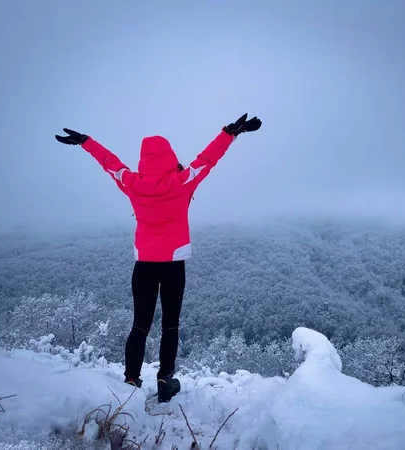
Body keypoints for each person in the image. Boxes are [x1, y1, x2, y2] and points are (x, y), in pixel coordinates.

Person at [55, 113, 262, 402]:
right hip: (174, 264)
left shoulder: (133, 183)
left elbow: (110, 164)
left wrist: (86, 142)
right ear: (170, 157)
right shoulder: (182, 181)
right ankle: (165, 378)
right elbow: (207, 159)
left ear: (143, 160)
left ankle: (130, 379)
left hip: (144, 265)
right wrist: (230, 132)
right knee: (170, 324)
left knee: (140, 323)